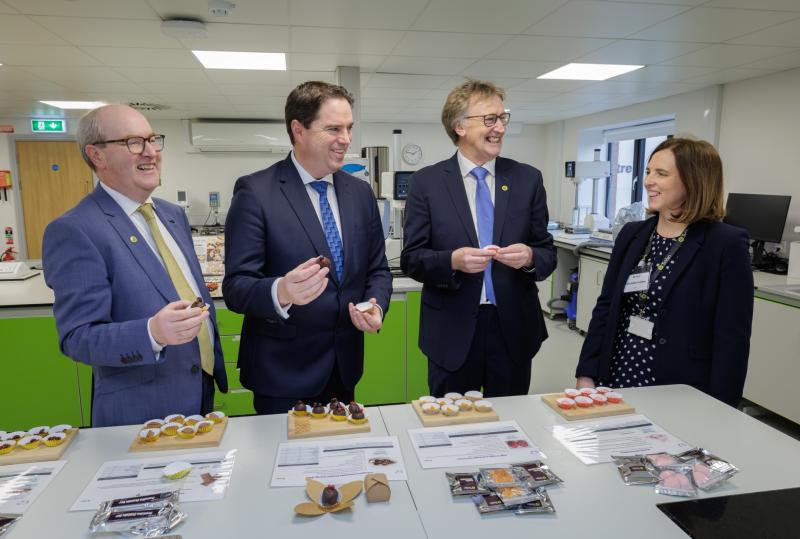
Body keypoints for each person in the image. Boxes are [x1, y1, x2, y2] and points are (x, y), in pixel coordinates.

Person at [42, 104, 227, 427]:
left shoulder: (171, 214)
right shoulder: (75, 229)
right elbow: (78, 337)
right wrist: (151, 333)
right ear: (96, 155)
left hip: (199, 391)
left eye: (153, 140)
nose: (151, 152)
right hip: (140, 411)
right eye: (133, 142)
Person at [223, 81, 392, 415]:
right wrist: (281, 290)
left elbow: (378, 270)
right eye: (333, 129)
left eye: (348, 128)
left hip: (344, 368)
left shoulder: (359, 194)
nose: (345, 139)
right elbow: (236, 286)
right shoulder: (256, 192)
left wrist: (376, 307)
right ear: (298, 130)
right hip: (282, 375)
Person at [401, 79, 557, 397]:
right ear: (459, 126)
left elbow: (547, 252)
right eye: (490, 119)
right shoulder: (426, 183)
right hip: (451, 332)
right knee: (452, 430)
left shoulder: (527, 179)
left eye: (503, 118)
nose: (499, 127)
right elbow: (412, 258)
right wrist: (452, 260)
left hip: (513, 329)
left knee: (512, 430)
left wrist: (529, 256)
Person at [575, 138, 753, 407]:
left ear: (693, 180)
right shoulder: (633, 235)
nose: (648, 181)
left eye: (661, 174)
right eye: (648, 172)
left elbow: (732, 339)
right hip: (617, 375)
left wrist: (721, 409)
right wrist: (587, 372)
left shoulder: (725, 244)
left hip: (681, 388)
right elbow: (606, 307)